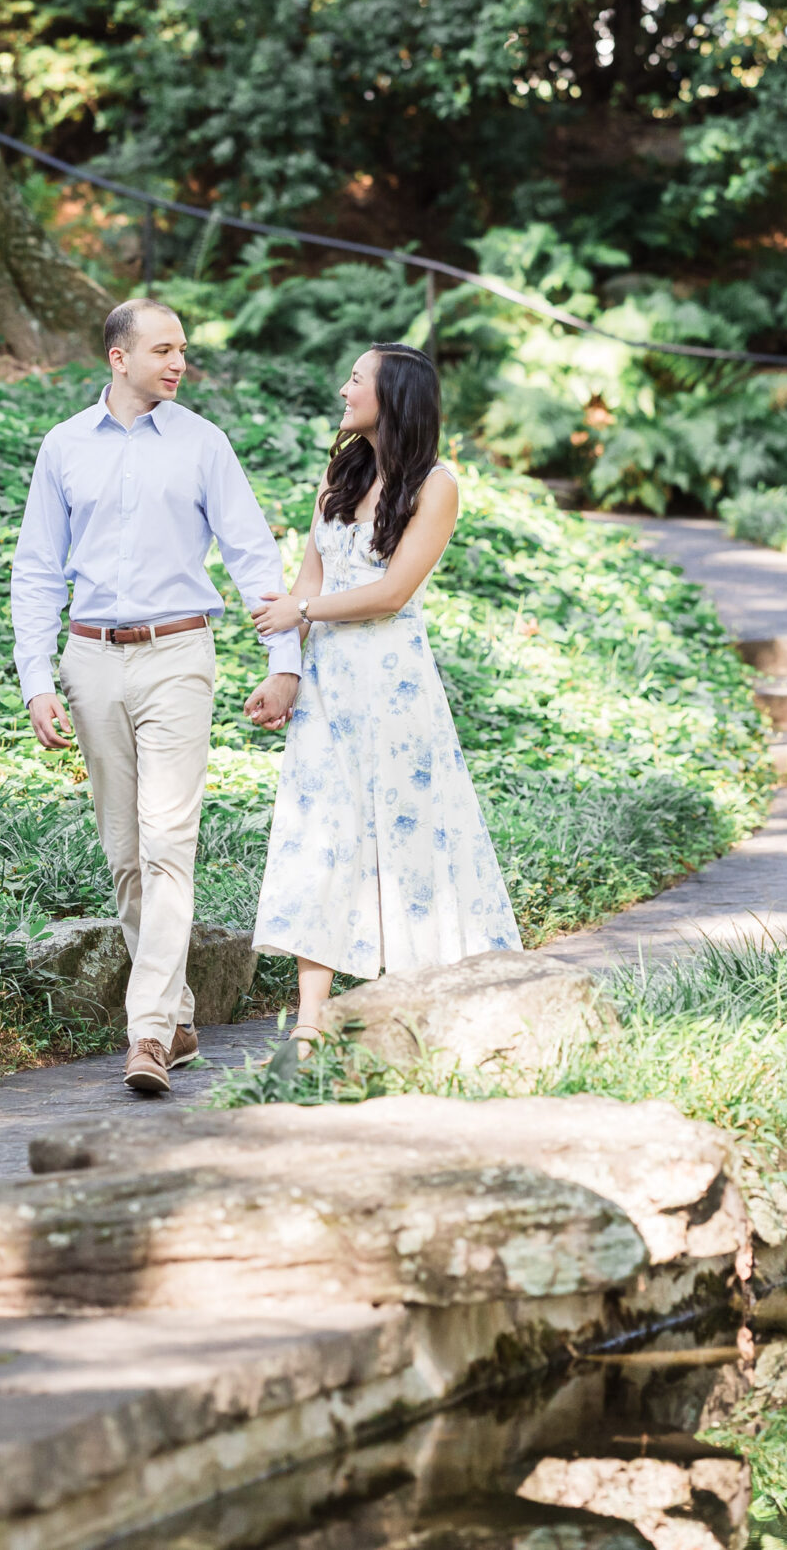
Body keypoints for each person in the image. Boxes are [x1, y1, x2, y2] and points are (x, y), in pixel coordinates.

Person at [12, 298, 302, 1097]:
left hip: (179, 653)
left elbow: (251, 553)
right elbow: (38, 567)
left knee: (169, 842)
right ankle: (173, 1018)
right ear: (118, 357)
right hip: (93, 658)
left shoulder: (203, 443)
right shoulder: (64, 446)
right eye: (164, 350)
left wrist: (284, 660)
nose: (179, 363)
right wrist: (37, 677)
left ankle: (143, 1036)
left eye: (184, 350)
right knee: (126, 854)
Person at [247, 342, 521, 1052]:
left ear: (392, 396)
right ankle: (309, 1023)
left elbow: (394, 593)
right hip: (329, 690)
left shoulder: (437, 485)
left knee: (404, 835)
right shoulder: (340, 477)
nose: (343, 389)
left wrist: (303, 615)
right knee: (322, 837)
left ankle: (420, 1007)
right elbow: (308, 580)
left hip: (395, 689)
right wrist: (286, 672)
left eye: (357, 380)